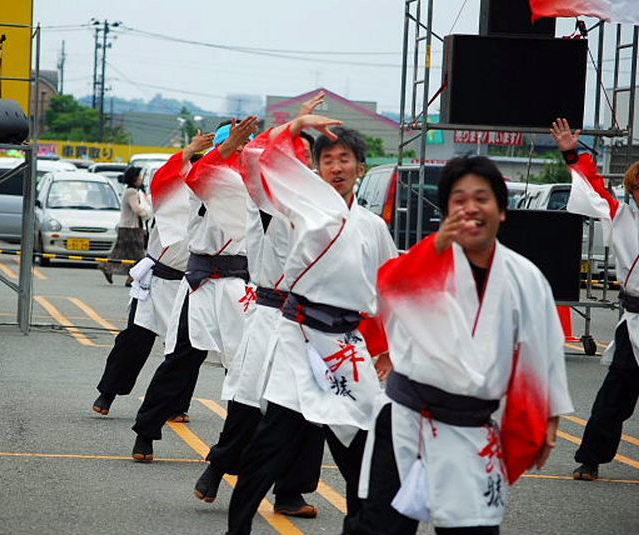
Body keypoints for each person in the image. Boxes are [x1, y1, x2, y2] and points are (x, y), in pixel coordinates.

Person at [360, 155, 574, 535]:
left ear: (502, 211)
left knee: (474, 529)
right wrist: (438, 245)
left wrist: (549, 417)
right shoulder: (423, 263)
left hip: (473, 428)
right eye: (459, 200)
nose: (470, 208)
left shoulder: (526, 278)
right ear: (446, 212)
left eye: (482, 198)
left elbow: (544, 350)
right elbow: (389, 289)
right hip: (406, 420)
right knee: (381, 528)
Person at [226, 117, 397, 535]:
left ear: (361, 166)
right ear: (315, 170)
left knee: (360, 441)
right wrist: (297, 123)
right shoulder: (295, 206)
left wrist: (387, 350)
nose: (337, 167)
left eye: (345, 159)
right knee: (271, 440)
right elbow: (256, 162)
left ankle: (360, 526)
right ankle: (237, 528)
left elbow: (389, 289)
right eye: (327, 160)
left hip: (344, 345)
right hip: (298, 336)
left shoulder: (373, 227)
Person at [195, 94, 328, 519]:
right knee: (250, 403)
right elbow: (255, 157)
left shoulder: (325, 207)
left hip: (314, 320)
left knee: (309, 410)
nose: (301, 167)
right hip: (273, 314)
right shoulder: (266, 199)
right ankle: (218, 466)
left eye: (307, 161)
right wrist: (291, 125)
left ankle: (290, 492)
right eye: (295, 158)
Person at [130, 118, 257, 462]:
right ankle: (146, 431)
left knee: (245, 366)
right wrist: (225, 148)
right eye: (234, 144)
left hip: (240, 283)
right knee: (181, 360)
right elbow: (192, 175)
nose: (241, 150)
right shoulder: (202, 176)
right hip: (202, 283)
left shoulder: (253, 182)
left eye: (245, 144)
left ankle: (234, 445)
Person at [92, 132, 214, 417]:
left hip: (190, 285)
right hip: (158, 279)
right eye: (194, 167)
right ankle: (107, 392)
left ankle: (176, 405)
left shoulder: (214, 198)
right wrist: (187, 152)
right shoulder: (170, 195)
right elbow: (165, 176)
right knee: (134, 341)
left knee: (188, 351)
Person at [551, 118, 639, 481]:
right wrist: (572, 153)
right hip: (634, 321)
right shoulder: (620, 215)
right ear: (633, 190)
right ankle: (591, 458)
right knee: (613, 398)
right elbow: (593, 187)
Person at [100, 166, 153, 285]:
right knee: (138, 254)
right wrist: (149, 213)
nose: (141, 179)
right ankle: (130, 277)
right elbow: (137, 209)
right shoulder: (131, 192)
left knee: (123, 253)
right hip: (131, 228)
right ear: (134, 179)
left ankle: (110, 268)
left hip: (130, 227)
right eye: (139, 177)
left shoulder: (134, 191)